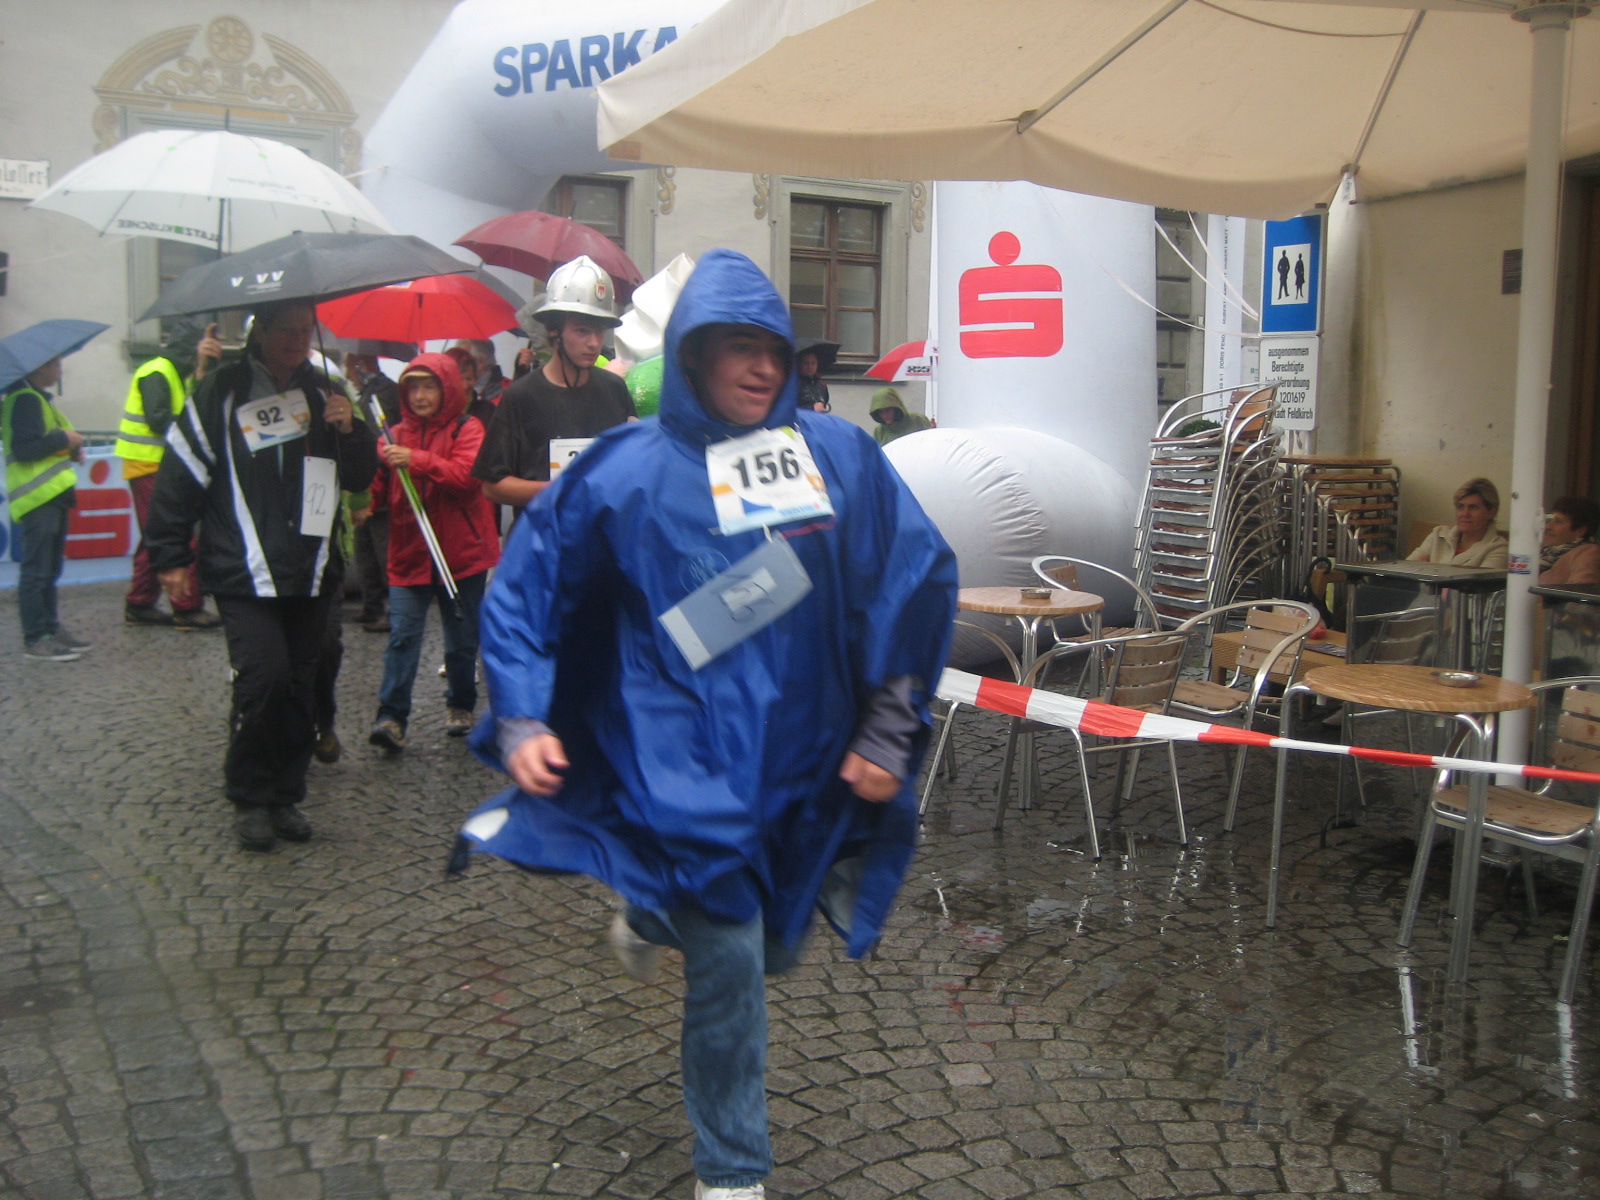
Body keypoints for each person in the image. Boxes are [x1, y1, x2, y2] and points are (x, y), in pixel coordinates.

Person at [453, 249, 958, 1200]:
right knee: (727, 954)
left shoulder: (836, 455)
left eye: (774, 349)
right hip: (674, 757)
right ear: (691, 354)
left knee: (771, 946)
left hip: (799, 750)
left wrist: (889, 726)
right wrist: (521, 714)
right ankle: (733, 1169)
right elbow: (528, 590)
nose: (762, 368)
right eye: (737, 347)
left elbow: (909, 576)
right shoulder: (624, 471)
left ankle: (648, 907)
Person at [144, 299, 377, 851]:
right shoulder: (219, 392)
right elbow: (180, 473)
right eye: (286, 331)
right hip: (242, 565)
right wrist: (170, 557)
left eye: (305, 330)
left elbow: (359, 476)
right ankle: (249, 794)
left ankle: (286, 794)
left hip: (311, 565)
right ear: (261, 331)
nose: (298, 341)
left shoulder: (326, 391)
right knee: (265, 679)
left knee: (301, 683)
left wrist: (351, 430)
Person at [368, 353, 500, 752]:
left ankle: (461, 703)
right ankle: (391, 717)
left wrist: (416, 460)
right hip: (409, 553)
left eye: (429, 387)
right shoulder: (392, 435)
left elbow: (465, 478)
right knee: (402, 637)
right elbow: (376, 486)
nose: (420, 396)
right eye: (413, 387)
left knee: (460, 639)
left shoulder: (468, 428)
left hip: (461, 555)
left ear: (447, 390)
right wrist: (362, 503)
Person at [471, 255, 636, 518]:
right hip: (542, 537)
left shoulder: (614, 388)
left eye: (599, 331)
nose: (594, 343)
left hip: (599, 536)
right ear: (553, 331)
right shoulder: (521, 396)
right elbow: (492, 486)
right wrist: (559, 490)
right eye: (582, 331)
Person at [118, 316, 224, 629]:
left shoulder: (168, 373)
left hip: (152, 463)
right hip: (150, 463)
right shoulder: (158, 371)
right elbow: (160, 419)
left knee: (155, 535)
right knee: (174, 533)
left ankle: (140, 603)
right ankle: (186, 608)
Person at [3, 357, 90, 662]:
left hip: (50, 496)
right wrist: (64, 438)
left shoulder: (36, 399)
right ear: (40, 366)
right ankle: (36, 637)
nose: (60, 371)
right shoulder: (25, 399)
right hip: (39, 498)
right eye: (56, 365)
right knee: (38, 571)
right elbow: (25, 449)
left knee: (49, 569)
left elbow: (42, 443)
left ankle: (50, 629)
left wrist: (70, 448)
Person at [344, 353, 400, 632]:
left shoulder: (384, 392)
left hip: (382, 488)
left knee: (384, 554)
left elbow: (378, 436)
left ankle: (393, 611)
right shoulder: (369, 392)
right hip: (368, 485)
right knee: (364, 552)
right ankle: (372, 606)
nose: (348, 374)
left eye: (350, 367)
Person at [1406, 477, 1508, 568]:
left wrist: (1427, 571)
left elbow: (1480, 584)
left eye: (1473, 507)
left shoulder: (1499, 549)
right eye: (1460, 507)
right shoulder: (1438, 534)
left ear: (1492, 512)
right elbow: (1405, 570)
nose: (1465, 514)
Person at [1539, 495, 1600, 586]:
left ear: (1580, 531)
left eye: (1558, 521)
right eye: (1551, 520)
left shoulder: (1587, 554)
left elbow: (1580, 591)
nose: (1548, 526)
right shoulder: (1547, 553)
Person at [868, 386, 934, 446]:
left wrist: (934, 432)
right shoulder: (879, 432)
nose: (884, 415)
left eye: (887, 410)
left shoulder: (917, 420)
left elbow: (931, 443)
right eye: (880, 412)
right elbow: (876, 453)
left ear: (896, 409)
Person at [795, 347, 829, 412]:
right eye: (806, 363)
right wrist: (812, 408)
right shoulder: (793, 385)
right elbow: (789, 410)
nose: (809, 367)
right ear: (800, 364)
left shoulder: (822, 385)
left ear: (817, 364)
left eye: (813, 363)